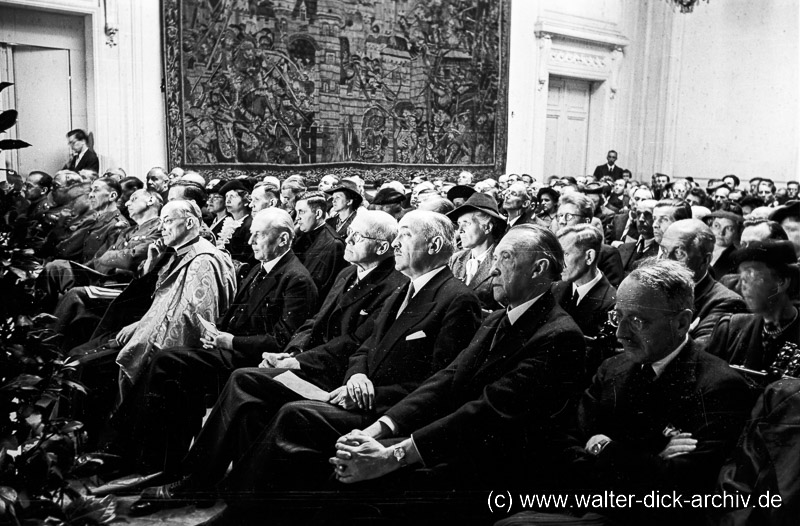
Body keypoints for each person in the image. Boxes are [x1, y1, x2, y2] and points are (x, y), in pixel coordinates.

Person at [128, 211, 483, 518]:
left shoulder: (454, 298)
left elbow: (440, 380)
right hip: (345, 381)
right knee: (245, 384)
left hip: (370, 400)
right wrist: (353, 373)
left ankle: (215, 492)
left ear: (434, 246)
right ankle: (211, 485)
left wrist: (359, 387)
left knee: (272, 401)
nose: (398, 244)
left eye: (406, 235)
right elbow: (362, 347)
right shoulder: (403, 288)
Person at [507, 259, 750, 526]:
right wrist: (650, 458)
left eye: (636, 321)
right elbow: (564, 447)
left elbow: (683, 489)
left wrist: (603, 446)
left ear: (681, 323)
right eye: (617, 316)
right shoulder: (612, 368)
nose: (621, 333)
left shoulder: (719, 386)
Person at [103, 207, 317, 476]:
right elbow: (235, 312)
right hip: (227, 351)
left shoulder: (297, 279)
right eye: (250, 235)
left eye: (258, 236)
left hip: (252, 362)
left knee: (167, 361)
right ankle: (149, 458)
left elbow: (282, 340)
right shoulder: (260, 268)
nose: (250, 242)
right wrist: (215, 333)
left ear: (284, 239)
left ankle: (130, 451)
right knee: (170, 369)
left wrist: (229, 341)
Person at [263, 209, 408, 385]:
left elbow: (355, 342)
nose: (348, 240)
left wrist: (298, 362)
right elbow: (317, 319)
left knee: (243, 379)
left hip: (335, 374)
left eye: (358, 236)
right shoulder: (347, 273)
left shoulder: (395, 286)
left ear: (382, 248)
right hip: (310, 359)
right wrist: (294, 350)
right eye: (349, 232)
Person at [707, 240, 798, 372]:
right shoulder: (730, 330)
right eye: (742, 277)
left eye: (752, 275)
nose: (741, 286)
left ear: (781, 282)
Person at [658, 219, 747, 347]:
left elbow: (698, 356)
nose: (666, 261)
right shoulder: (655, 287)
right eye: (664, 251)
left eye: (679, 253)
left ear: (705, 260)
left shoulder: (726, 302)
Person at [554, 223, 617, 371]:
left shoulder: (611, 304)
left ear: (589, 257)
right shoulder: (556, 288)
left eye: (565, 254)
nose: (558, 262)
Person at [48, 177, 129, 265]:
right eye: (91, 190)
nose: (90, 195)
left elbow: (103, 263)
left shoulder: (118, 225)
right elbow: (65, 250)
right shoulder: (92, 220)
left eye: (96, 190)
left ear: (112, 196)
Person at [447, 192, 506, 312]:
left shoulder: (503, 261)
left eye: (466, 224)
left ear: (487, 227)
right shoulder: (456, 259)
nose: (460, 231)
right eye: (458, 225)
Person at [556, 192, 625, 288]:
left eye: (569, 216)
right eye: (559, 216)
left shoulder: (606, 254)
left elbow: (612, 292)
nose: (562, 221)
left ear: (586, 221)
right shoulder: (554, 250)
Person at [293, 191, 346, 301]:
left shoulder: (333, 244)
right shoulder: (301, 234)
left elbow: (321, 287)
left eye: (301, 212)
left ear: (318, 214)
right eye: (296, 212)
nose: (297, 218)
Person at [617, 198, 658, 276]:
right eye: (638, 214)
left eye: (647, 215)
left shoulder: (661, 253)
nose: (641, 219)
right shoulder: (623, 248)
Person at [707, 210, 743, 279]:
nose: (721, 232)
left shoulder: (736, 259)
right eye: (716, 226)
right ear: (710, 227)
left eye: (729, 228)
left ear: (737, 233)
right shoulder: (701, 249)